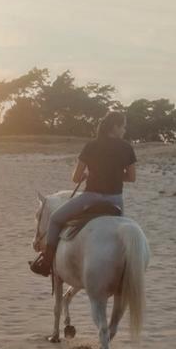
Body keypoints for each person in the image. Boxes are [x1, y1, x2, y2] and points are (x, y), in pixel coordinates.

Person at [30, 111, 137, 277]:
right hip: (116, 201)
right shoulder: (127, 147)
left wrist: (90, 174)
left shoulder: (91, 146)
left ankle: (46, 263)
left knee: (55, 219)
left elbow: (75, 178)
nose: (124, 130)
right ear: (115, 127)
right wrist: (114, 174)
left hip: (90, 198)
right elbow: (131, 177)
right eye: (123, 126)